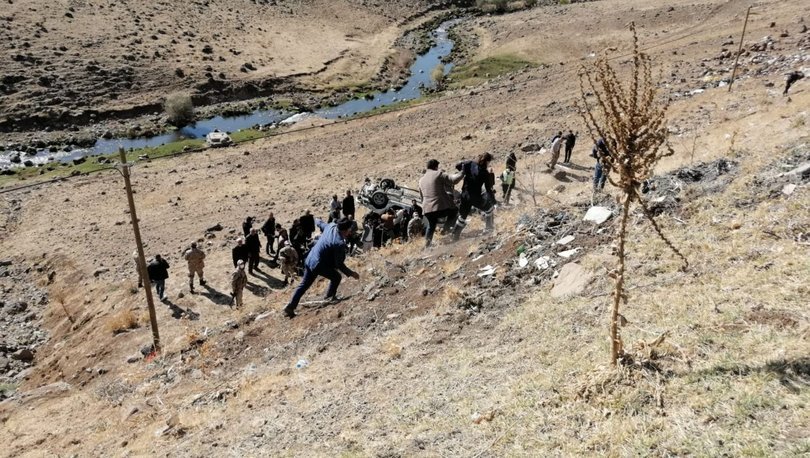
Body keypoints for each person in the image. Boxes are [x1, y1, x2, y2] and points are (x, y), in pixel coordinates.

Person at [283, 218, 360, 318]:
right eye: (350, 230)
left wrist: (315, 219)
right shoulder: (339, 243)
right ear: (346, 230)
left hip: (310, 258)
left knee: (303, 285)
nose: (350, 232)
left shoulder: (331, 226)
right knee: (336, 277)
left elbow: (320, 223)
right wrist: (352, 273)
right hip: (318, 264)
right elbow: (339, 264)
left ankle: (290, 307)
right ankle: (330, 297)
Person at [419, 159, 464, 248]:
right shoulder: (438, 174)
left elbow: (421, 197)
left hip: (426, 209)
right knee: (454, 212)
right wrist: (463, 172)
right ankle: (445, 232)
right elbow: (453, 180)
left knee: (431, 225)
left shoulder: (421, 180)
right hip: (439, 206)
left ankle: (427, 246)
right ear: (436, 167)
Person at [452, 153, 495, 240]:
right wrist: (493, 201)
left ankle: (454, 236)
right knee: (489, 209)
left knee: (462, 216)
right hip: (475, 197)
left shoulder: (469, 163)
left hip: (464, 195)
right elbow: (488, 189)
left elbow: (457, 165)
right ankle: (488, 229)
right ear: (487, 161)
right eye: (489, 162)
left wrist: (464, 171)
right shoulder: (484, 172)